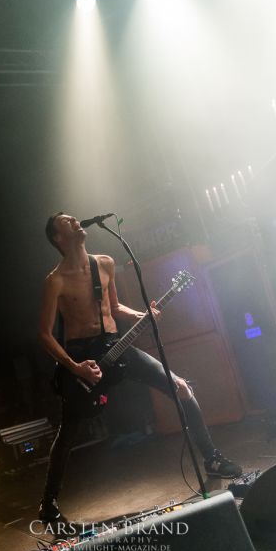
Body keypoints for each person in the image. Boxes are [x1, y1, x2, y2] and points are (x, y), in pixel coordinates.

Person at [38, 212, 242, 522]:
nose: (76, 220)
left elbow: (114, 306)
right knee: (68, 431)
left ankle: (212, 458)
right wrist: (75, 367)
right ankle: (48, 503)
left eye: (73, 217)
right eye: (66, 221)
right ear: (58, 238)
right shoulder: (55, 280)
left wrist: (140, 315)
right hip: (84, 360)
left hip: (115, 345)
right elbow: (44, 334)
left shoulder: (104, 263)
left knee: (181, 387)